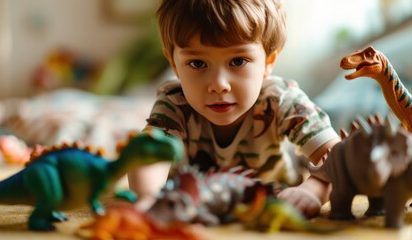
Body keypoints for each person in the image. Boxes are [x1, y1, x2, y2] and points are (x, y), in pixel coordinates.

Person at [128, 0, 340, 218]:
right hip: (197, 200)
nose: (219, 85)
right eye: (197, 64)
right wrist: (149, 197)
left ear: (268, 61)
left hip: (273, 196)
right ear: (174, 65)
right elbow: (148, 154)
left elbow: (340, 158)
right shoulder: (174, 103)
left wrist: (313, 190)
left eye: (238, 61)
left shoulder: (282, 100)